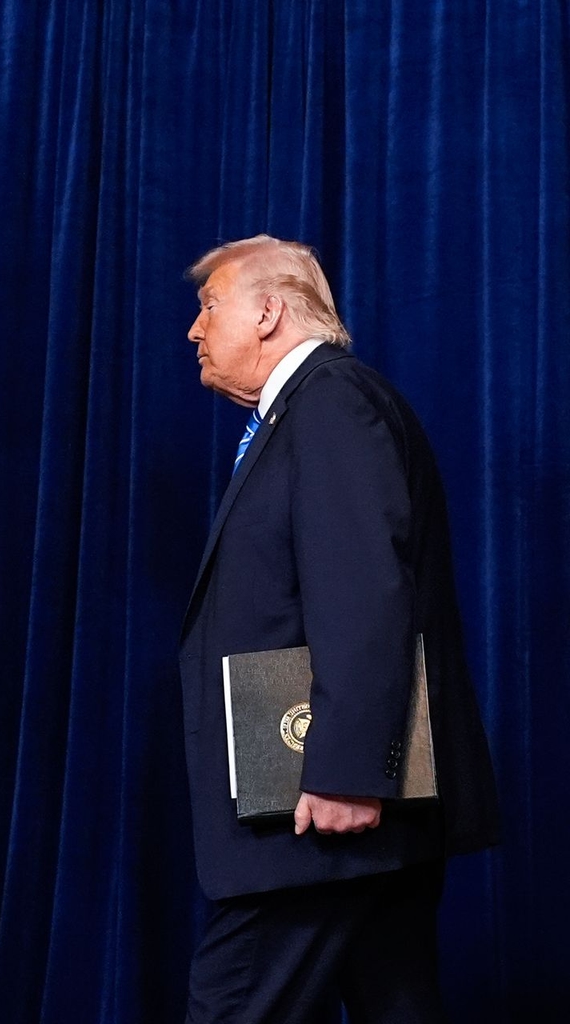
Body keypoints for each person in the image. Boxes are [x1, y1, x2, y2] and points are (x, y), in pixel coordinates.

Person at [177, 236, 498, 1021]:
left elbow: (363, 590)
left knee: (234, 1004)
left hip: (321, 810)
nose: (194, 329)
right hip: (345, 809)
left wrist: (347, 771)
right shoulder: (305, 411)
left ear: (267, 313)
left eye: (209, 305)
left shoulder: (331, 404)